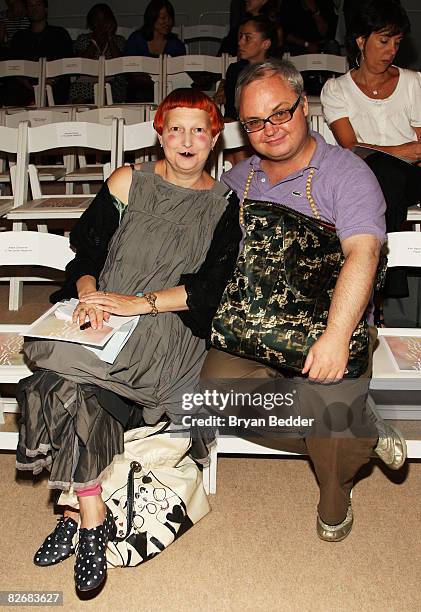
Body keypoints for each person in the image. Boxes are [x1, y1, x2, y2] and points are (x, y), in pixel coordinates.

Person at [16, 88, 242, 594]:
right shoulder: (127, 181)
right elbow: (85, 251)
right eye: (176, 128)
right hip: (104, 313)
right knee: (62, 377)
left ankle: (72, 515)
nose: (187, 140)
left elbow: (210, 291)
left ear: (214, 138)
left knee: (55, 375)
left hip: (166, 328)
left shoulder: (225, 205)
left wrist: (135, 303)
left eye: (199, 130)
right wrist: (92, 295)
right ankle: (90, 518)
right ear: (160, 133)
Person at [201, 59, 406, 542]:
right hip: (253, 328)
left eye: (280, 114)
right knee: (209, 398)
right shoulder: (237, 182)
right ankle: (362, 427)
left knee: (331, 419)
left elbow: (363, 253)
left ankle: (335, 494)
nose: (268, 130)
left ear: (305, 106)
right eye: (254, 122)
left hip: (330, 322)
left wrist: (336, 337)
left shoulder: (346, 174)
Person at [320, 0, 421, 320]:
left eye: (396, 42)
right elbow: (351, 148)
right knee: (378, 172)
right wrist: (402, 151)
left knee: (385, 171)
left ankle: (377, 279)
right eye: (383, 40)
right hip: (366, 180)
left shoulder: (413, 83)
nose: (391, 50)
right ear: (361, 41)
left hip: (414, 179)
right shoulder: (336, 89)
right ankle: (381, 280)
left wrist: (397, 154)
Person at [8, 0, 73, 105]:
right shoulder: (19, 37)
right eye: (30, 5)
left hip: (55, 86)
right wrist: (27, 83)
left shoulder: (60, 34)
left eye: (38, 4)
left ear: (45, 9)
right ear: (26, 10)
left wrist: (49, 82)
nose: (34, 8)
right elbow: (13, 66)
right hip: (25, 87)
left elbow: (68, 62)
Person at [124, 0, 185, 103]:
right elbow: (128, 70)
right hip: (140, 91)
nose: (167, 22)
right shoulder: (136, 40)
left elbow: (179, 74)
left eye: (170, 18)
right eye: (163, 18)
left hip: (168, 90)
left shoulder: (176, 44)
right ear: (152, 18)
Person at [221, 16, 280, 121]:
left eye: (248, 38)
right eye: (241, 37)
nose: (240, 43)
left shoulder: (277, 74)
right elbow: (230, 113)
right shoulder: (235, 70)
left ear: (265, 44)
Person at [70, 3, 126, 104]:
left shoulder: (118, 40)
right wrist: (94, 41)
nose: (101, 24)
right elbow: (81, 65)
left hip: (112, 82)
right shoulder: (84, 39)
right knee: (77, 89)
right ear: (91, 23)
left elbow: (120, 64)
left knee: (106, 89)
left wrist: (110, 39)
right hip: (87, 81)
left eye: (104, 20)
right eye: (97, 21)